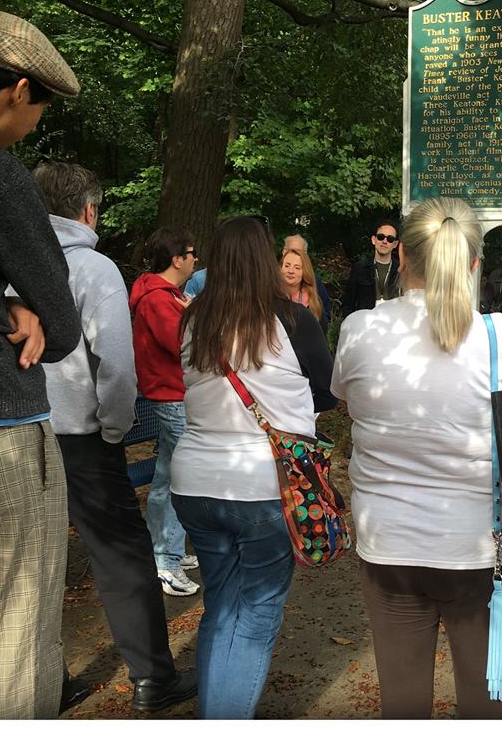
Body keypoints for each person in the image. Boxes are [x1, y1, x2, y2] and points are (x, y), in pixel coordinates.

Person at [332, 197, 502, 718]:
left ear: (402, 255)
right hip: (481, 552)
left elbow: (344, 396)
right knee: (486, 704)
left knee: (403, 704)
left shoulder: (359, 329)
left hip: (388, 545)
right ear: (474, 263)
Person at [32, 162, 198, 713]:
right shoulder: (94, 268)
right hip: (83, 435)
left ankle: (40, 680)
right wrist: (113, 427)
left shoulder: (11, 260)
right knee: (122, 557)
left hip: (19, 430)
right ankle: (152, 677)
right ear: (88, 210)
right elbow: (117, 366)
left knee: (28, 561)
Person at [171, 216, 336, 719]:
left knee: (222, 604)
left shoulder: (192, 320)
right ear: (265, 260)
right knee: (256, 616)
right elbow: (329, 391)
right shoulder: (291, 320)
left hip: (195, 482)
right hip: (266, 485)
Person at [0, 10, 82, 718]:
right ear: (16, 90)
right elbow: (61, 326)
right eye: (40, 107)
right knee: (13, 626)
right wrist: (18, 305)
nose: (37, 123)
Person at [130, 227, 200, 596]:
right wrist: (197, 319)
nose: (195, 259)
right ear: (176, 259)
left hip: (176, 395)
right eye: (191, 253)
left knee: (166, 476)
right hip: (171, 398)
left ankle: (164, 549)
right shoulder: (158, 300)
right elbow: (184, 346)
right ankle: (167, 561)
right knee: (180, 478)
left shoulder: (170, 296)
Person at [340, 219, 401, 316]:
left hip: (393, 322)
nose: (384, 241)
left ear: (395, 244)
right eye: (381, 237)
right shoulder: (360, 268)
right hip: (365, 322)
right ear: (373, 240)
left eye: (390, 239)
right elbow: (348, 303)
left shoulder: (401, 270)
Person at [284, 233, 332, 323]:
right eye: (291, 250)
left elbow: (326, 315)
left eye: (298, 252)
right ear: (284, 251)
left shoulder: (314, 282)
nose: (294, 255)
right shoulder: (272, 281)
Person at [280, 245, 328, 333]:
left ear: (304, 272)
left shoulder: (313, 303)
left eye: (297, 268)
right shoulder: (271, 297)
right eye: (287, 266)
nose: (291, 271)